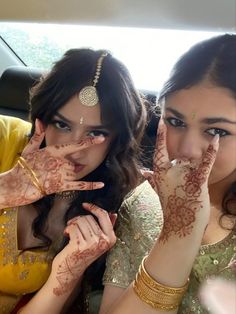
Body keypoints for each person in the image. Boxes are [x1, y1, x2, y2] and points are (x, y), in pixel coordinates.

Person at [0, 48, 152, 313]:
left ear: (117, 139)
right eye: (62, 125)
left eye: (96, 132)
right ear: (42, 119)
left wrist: (67, 274)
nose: (75, 148)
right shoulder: (5, 138)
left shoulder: (108, 204)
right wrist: (5, 189)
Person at [100, 33, 236, 314]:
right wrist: (178, 233)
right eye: (175, 121)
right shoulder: (144, 203)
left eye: (217, 131)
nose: (188, 150)